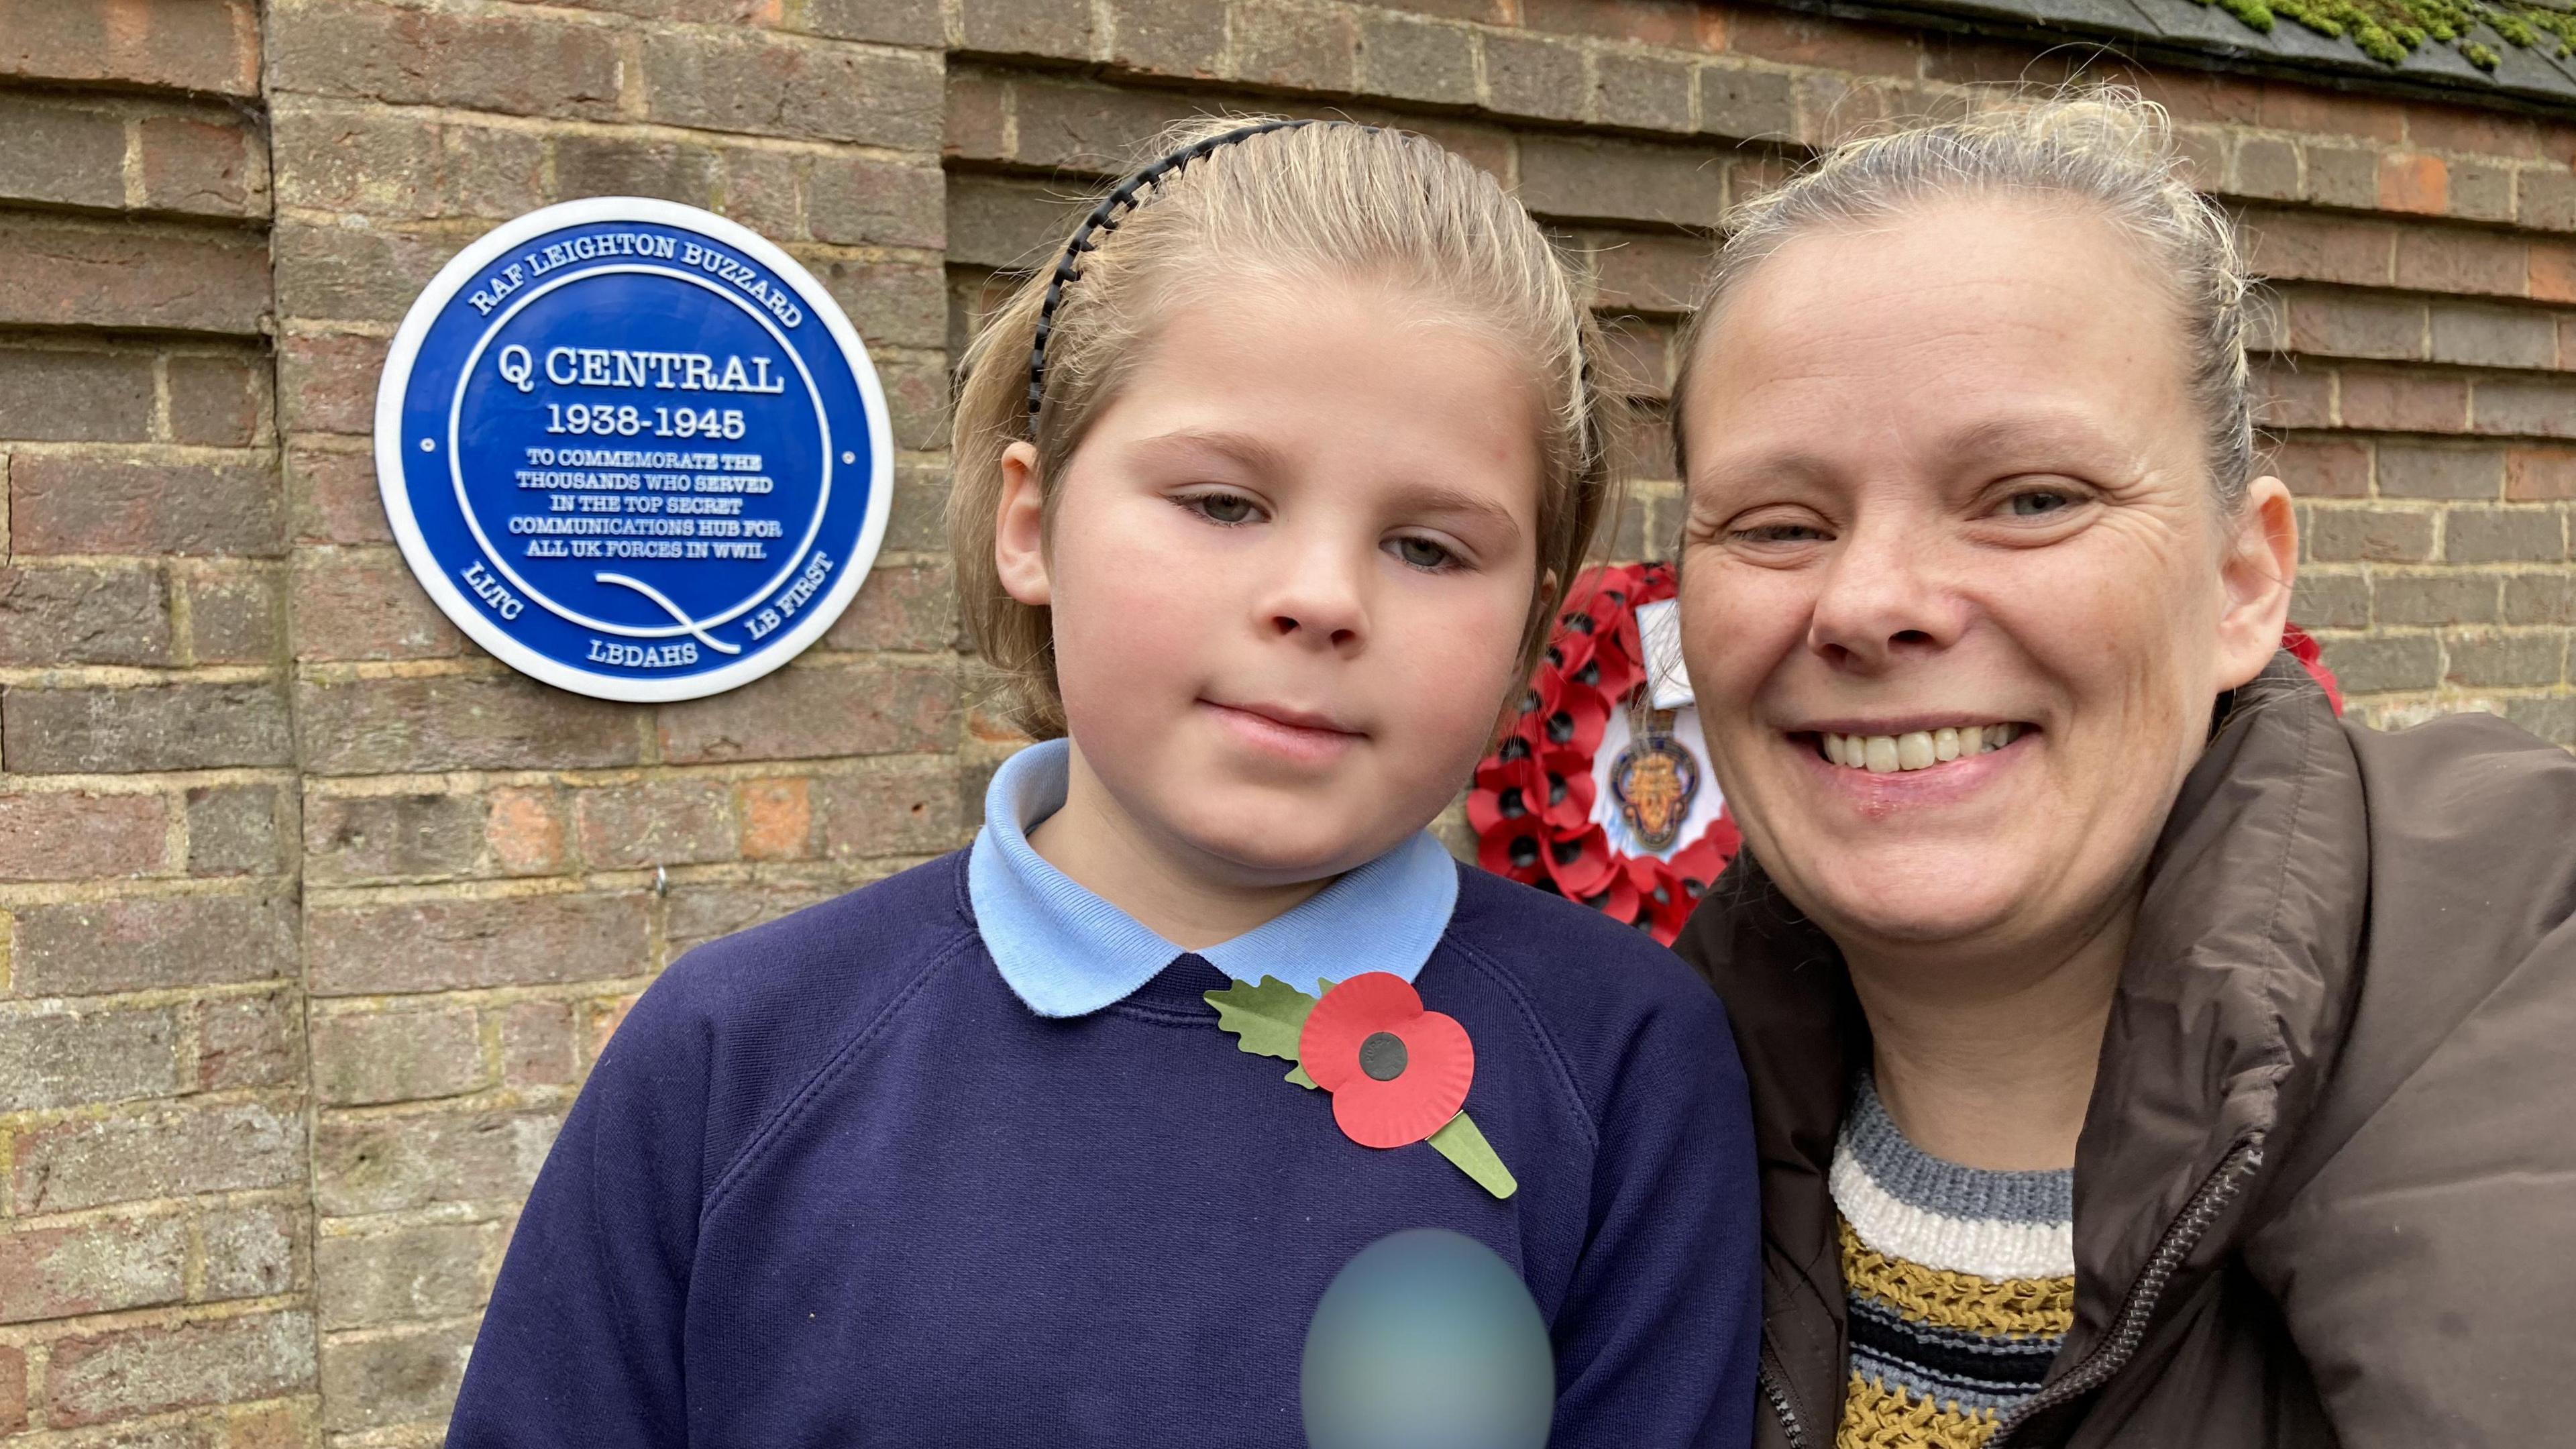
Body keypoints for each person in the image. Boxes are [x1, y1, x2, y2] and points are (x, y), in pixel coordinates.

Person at [446, 118, 1761, 1446]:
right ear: (1033, 522)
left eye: (1426, 546)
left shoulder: (1632, 1065)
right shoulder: (730, 1053)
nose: (1318, 598)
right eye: (1223, 504)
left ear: (1531, 628)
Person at [1666, 91, 2576, 1449]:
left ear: (2240, 580)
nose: (1869, 602)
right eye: (1781, 523)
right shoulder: (1598, 1127)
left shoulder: (2534, 992)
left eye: (2032, 498)